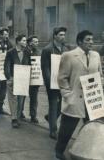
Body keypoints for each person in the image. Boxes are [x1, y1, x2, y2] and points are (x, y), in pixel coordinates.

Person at [55, 30, 102, 160]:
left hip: (92, 99)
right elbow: (62, 78)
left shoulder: (96, 55)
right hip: (75, 99)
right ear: (79, 41)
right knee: (67, 129)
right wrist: (67, 95)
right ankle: (59, 151)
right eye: (87, 40)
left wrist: (100, 91)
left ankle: (89, 152)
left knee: (93, 127)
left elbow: (99, 75)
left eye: (92, 39)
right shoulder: (69, 55)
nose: (91, 42)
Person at [41, 27, 70, 140]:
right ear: (55, 36)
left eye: (64, 35)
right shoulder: (47, 49)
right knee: (53, 105)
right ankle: (53, 130)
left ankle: (50, 117)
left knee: (61, 105)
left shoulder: (65, 49)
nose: (63, 37)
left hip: (63, 81)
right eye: (61, 35)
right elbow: (45, 68)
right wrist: (49, 83)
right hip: (52, 82)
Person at [4, 34, 30, 128]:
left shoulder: (27, 52)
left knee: (21, 99)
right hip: (13, 78)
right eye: (23, 40)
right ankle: (14, 118)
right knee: (13, 99)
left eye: (25, 41)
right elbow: (6, 65)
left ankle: (18, 117)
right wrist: (9, 77)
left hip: (23, 79)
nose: (25, 42)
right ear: (18, 41)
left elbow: (29, 65)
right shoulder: (11, 52)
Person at [21, 35, 41, 123]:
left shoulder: (38, 51)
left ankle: (33, 115)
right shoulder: (26, 51)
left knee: (34, 97)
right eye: (35, 42)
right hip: (26, 77)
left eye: (37, 42)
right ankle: (20, 112)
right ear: (30, 43)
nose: (37, 43)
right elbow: (25, 63)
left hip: (35, 77)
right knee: (23, 96)